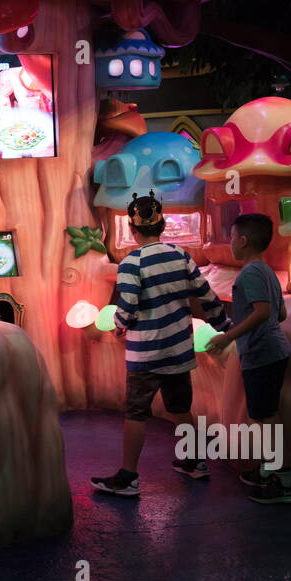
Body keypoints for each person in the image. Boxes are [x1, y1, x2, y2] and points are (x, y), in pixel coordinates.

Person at [91, 192, 229, 498]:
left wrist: (119, 325)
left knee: (136, 412)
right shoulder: (180, 255)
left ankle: (128, 477)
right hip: (179, 349)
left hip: (147, 353)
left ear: (133, 229)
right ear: (163, 224)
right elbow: (207, 297)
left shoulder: (132, 263)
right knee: (180, 407)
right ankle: (194, 462)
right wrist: (226, 329)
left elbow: (127, 307)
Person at [206, 213, 291, 504]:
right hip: (272, 351)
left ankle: (284, 482)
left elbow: (261, 312)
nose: (231, 243)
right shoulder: (267, 271)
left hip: (262, 354)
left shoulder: (249, 274)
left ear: (243, 240)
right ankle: (266, 469)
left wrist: (228, 336)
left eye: (233, 238)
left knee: (266, 417)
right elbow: (279, 313)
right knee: (264, 414)